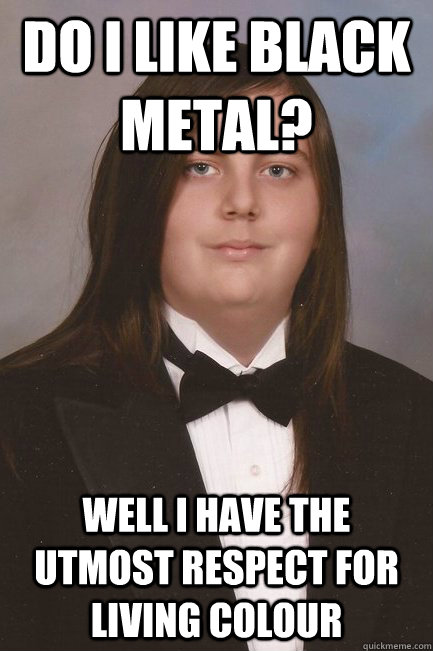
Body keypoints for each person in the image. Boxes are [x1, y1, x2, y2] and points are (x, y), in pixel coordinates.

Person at [0, 46, 431, 651]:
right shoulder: (17, 422)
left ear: (323, 217)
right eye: (200, 165)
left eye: (278, 168)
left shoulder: (417, 417)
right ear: (139, 203)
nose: (242, 203)